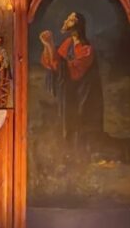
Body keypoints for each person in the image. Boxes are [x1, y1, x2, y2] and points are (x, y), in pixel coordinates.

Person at [39, 11, 103, 155]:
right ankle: (67, 152)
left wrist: (51, 45)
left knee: (79, 123)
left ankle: (80, 153)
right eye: (67, 18)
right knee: (65, 121)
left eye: (70, 19)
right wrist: (48, 46)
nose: (66, 21)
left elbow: (72, 70)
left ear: (78, 25)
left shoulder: (86, 49)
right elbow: (54, 62)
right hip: (68, 93)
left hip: (82, 96)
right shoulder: (68, 43)